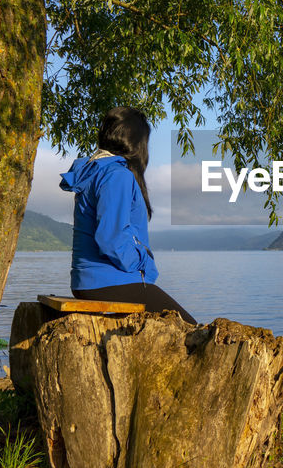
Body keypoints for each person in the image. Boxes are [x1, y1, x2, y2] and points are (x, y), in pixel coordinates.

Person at [60, 106, 197, 324]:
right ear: (137, 143)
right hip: (109, 281)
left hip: (89, 281)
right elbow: (111, 239)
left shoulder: (95, 169)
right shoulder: (117, 175)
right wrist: (141, 262)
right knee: (192, 329)